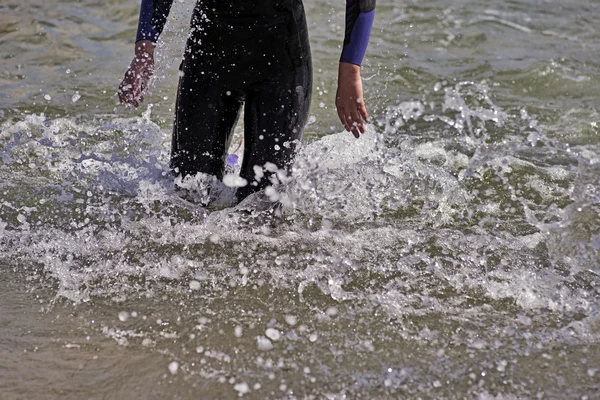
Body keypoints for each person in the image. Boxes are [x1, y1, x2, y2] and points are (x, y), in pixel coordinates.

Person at [118, 0, 376, 204]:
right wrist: (144, 49)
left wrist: (350, 69)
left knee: (262, 204)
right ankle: (234, 162)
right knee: (188, 194)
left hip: (281, 59)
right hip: (210, 51)